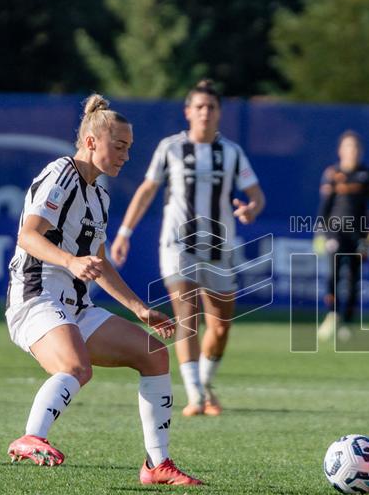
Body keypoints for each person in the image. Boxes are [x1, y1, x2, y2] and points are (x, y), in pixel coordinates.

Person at [5, 93, 202, 486]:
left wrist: (139, 308)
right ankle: (32, 436)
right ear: (92, 142)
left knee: (154, 355)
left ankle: (156, 465)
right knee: (76, 367)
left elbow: (101, 262)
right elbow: (28, 236)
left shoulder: (99, 195)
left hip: (75, 307)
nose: (126, 156)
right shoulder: (61, 174)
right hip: (35, 297)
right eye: (120, 146)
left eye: (129, 148)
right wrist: (70, 262)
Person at [111, 79, 266, 417]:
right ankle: (195, 395)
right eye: (199, 107)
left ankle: (205, 386)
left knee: (222, 324)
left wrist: (251, 209)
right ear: (188, 112)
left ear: (219, 113)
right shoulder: (170, 148)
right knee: (188, 315)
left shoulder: (232, 153)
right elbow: (147, 190)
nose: (205, 113)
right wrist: (124, 232)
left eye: (211, 107)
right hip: (177, 243)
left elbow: (256, 195)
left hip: (219, 246)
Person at [313, 131, 369, 343]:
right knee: (333, 272)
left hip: (360, 233)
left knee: (353, 277)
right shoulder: (332, 173)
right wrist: (319, 231)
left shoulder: (368, 174)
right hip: (335, 230)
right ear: (340, 150)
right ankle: (332, 315)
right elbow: (325, 206)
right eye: (348, 147)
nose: (351, 151)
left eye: (355, 147)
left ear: (359, 151)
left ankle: (348, 322)